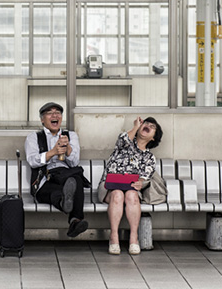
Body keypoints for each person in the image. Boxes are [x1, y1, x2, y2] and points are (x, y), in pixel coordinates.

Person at [98, 116, 162, 255]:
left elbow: (146, 177)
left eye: (153, 127)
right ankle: (113, 237)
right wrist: (135, 127)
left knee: (132, 195)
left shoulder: (149, 158)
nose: (148, 126)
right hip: (109, 188)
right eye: (146, 123)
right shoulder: (125, 144)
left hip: (131, 190)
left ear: (153, 138)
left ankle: (134, 238)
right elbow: (122, 139)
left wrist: (141, 183)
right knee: (117, 194)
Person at [25, 102, 90, 238]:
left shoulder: (71, 136)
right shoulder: (34, 137)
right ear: (42, 119)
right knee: (65, 188)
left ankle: (72, 216)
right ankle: (74, 218)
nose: (54, 115)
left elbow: (74, 162)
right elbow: (32, 161)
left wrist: (68, 149)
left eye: (58, 113)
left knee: (74, 178)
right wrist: (52, 152)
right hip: (44, 181)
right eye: (50, 113)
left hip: (66, 176)